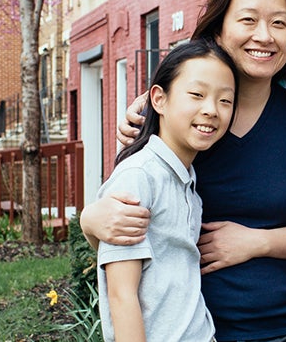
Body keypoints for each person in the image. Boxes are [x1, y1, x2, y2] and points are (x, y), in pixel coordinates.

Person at [81, 0, 286, 342]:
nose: (264, 36)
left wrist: (257, 242)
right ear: (219, 28)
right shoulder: (182, 117)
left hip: (279, 328)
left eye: (279, 23)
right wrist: (90, 219)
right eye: (248, 20)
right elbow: (128, 216)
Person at [96, 38, 237, 342]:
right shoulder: (138, 177)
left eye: (225, 100)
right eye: (197, 95)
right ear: (159, 99)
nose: (211, 110)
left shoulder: (186, 178)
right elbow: (122, 295)